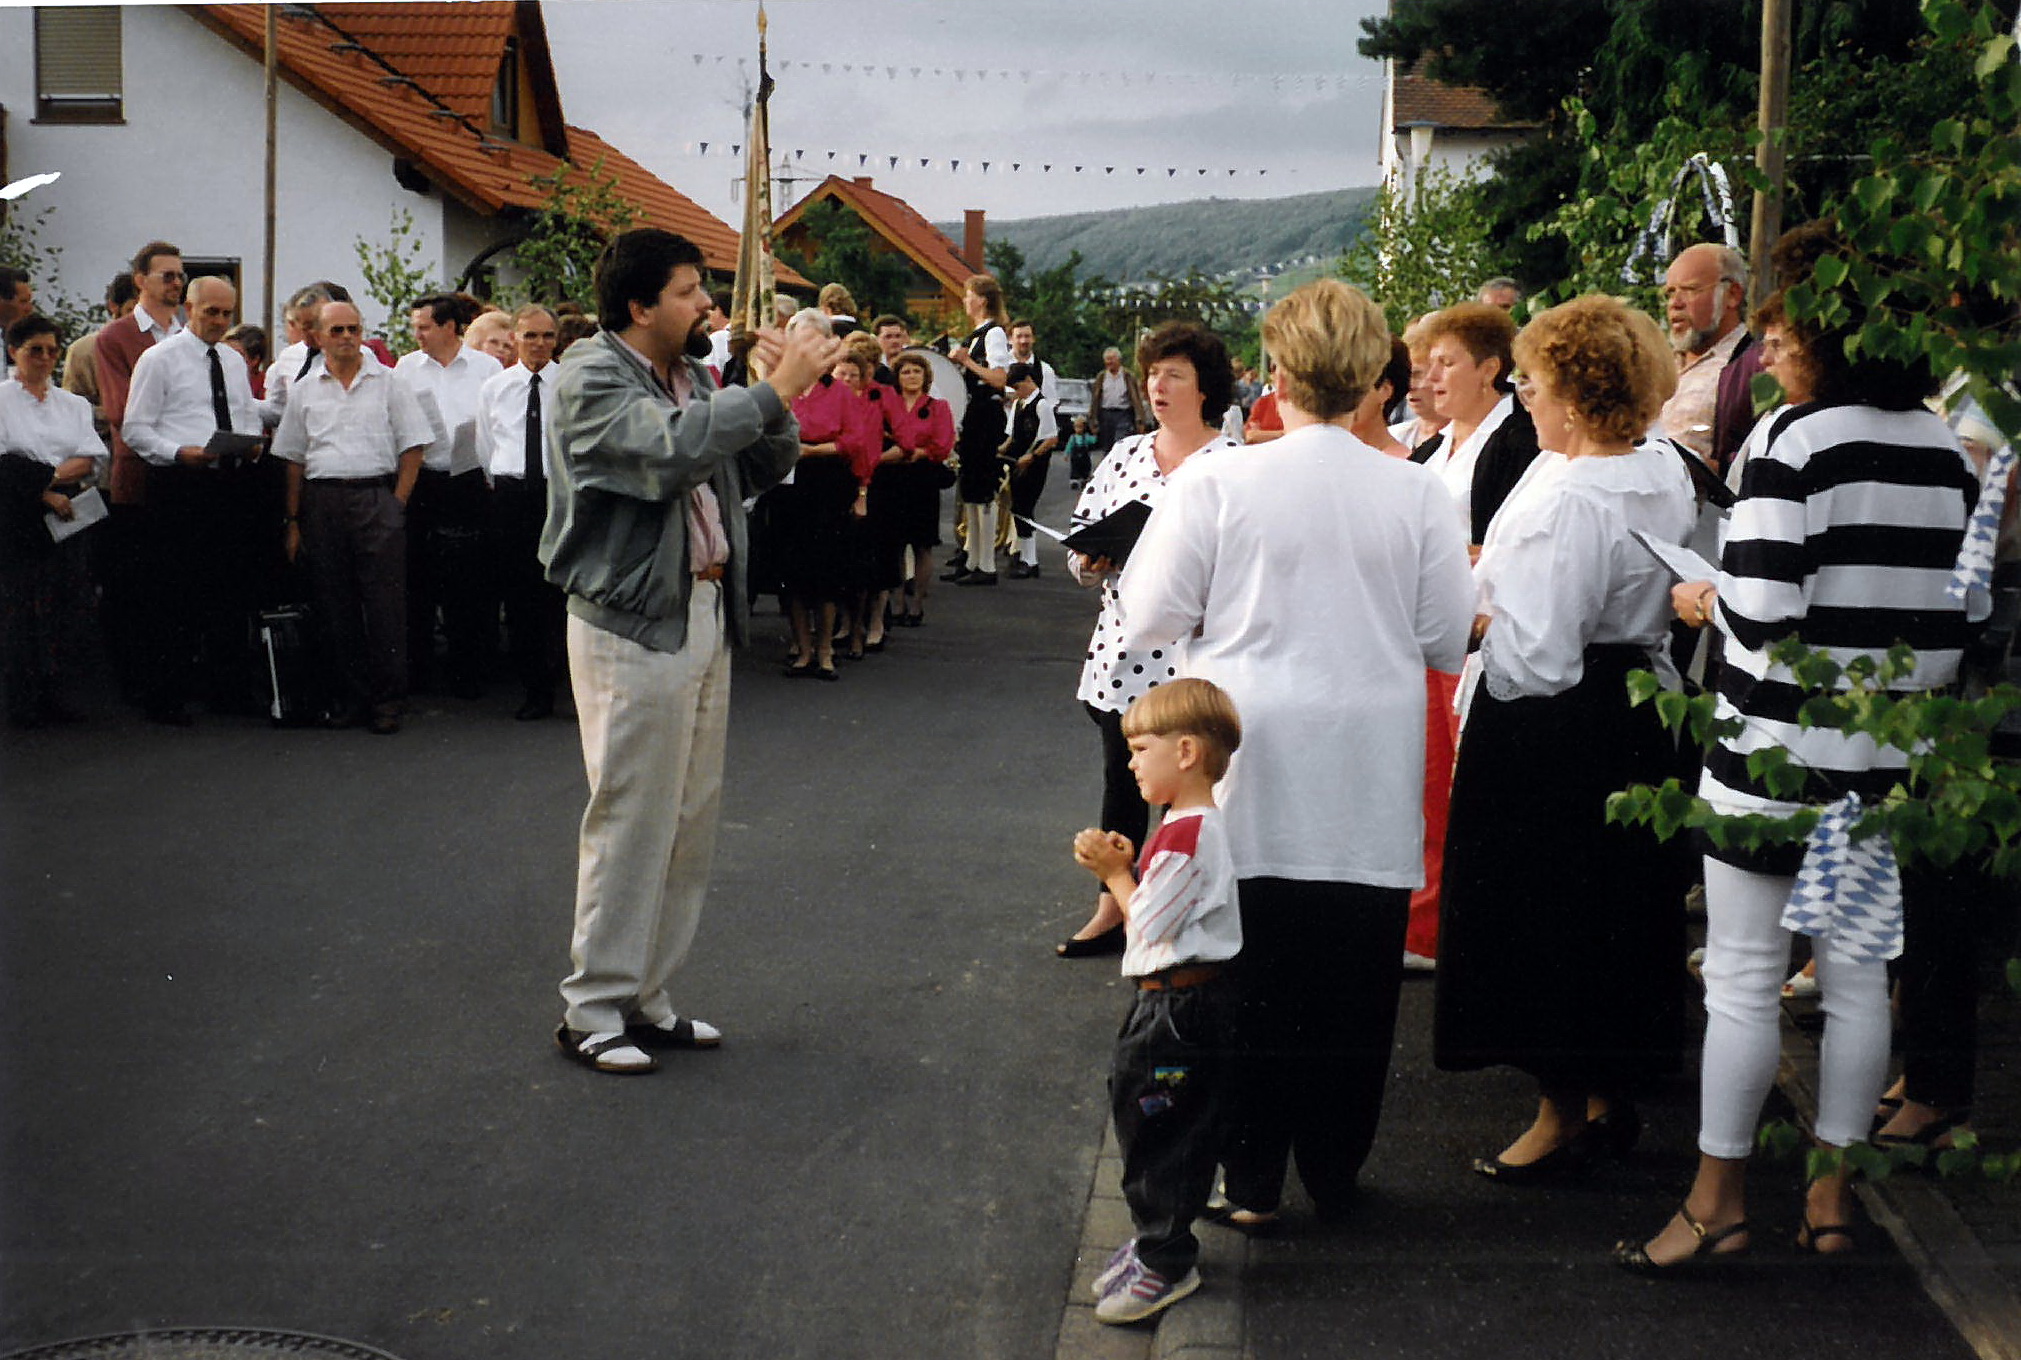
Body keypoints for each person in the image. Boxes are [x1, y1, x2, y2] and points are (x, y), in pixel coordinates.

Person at [1617, 265, 1979, 1271]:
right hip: (1883, 760)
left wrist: (1699, 600)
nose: (1769, 355)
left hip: (1772, 755)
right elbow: (1958, 621)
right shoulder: (1946, 453)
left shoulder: (1789, 440)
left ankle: (1713, 1201)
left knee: (1737, 980)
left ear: (1825, 337)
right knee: (1859, 982)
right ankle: (1829, 1197)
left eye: (1782, 336)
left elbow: (1762, 607)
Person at [1119, 280, 1473, 1226]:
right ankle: (1334, 1170)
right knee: (1353, 987)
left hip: (1249, 759)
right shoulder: (1416, 489)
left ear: (1275, 371)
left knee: (1243, 976)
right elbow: (1446, 637)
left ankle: (1251, 1177)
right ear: (1369, 377)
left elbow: (1149, 615)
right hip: (1366, 759)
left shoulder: (1217, 477)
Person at [544, 227, 837, 1075]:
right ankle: (591, 1009)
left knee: (688, 820)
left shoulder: (694, 375)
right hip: (633, 619)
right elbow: (667, 454)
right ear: (639, 307)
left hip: (699, 608)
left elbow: (749, 467)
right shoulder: (590, 375)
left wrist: (768, 393)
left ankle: (646, 998)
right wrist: (772, 386)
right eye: (686, 291)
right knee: (632, 816)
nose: (706, 304)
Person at [1432, 295, 1697, 1182]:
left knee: (1542, 920)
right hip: (1635, 710)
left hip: (1557, 730)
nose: (1523, 398)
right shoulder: (1655, 467)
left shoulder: (1571, 496)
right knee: (1615, 914)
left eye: (1535, 386)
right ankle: (1601, 1093)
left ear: (1578, 401)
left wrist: (1459, 621)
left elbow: (1537, 654)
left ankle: (1560, 1110)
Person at [1060, 322, 1239, 957]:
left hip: (1195, 650)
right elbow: (1080, 538)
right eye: (1153, 375)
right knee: (1125, 775)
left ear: (1206, 389)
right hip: (1124, 646)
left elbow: (1243, 561)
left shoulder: (1232, 464)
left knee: (1191, 784)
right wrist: (1092, 560)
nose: (1158, 387)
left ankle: (1181, 909)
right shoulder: (1125, 454)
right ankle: (1115, 903)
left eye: (1175, 376)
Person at [1072, 679, 1245, 1326]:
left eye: (1140, 749)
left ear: (1186, 752)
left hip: (1177, 1011)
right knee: (1149, 1117)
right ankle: (1154, 1239)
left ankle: (1167, 1255)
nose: (1131, 763)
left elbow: (1149, 926)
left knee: (1159, 1128)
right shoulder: (1185, 827)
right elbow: (1166, 907)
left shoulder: (1184, 835)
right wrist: (1131, 871)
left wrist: (1113, 876)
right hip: (1176, 1002)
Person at [272, 301, 433, 734]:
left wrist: (397, 503)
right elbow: (292, 459)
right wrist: (293, 520)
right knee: (333, 605)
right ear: (318, 336)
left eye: (354, 328)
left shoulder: (389, 382)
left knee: (385, 606)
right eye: (337, 329)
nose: (346, 336)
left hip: (375, 497)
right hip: (322, 502)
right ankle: (351, 697)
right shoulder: (305, 389)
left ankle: (387, 702)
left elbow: (414, 445)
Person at [120, 275, 266, 724]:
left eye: (227, 314)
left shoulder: (232, 360)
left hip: (228, 484)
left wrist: (251, 442)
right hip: (181, 484)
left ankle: (228, 691)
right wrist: (179, 453)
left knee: (229, 592)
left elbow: (241, 412)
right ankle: (168, 696)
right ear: (188, 308)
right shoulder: (159, 359)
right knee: (175, 593)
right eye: (211, 313)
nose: (219, 322)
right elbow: (135, 429)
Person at [396, 292, 503, 697]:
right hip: (424, 478)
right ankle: (419, 670)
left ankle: (470, 670)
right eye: (415, 328)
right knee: (418, 576)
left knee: (470, 580)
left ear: (449, 327)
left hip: (469, 479)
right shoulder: (406, 369)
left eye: (425, 327)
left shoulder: (485, 367)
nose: (418, 335)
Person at [0, 315, 105, 727]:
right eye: (34, 351)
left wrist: (50, 480)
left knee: (63, 605)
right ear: (13, 352)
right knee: (20, 610)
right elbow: (3, 463)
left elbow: (89, 458)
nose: (45, 358)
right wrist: (44, 489)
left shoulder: (73, 405)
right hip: (17, 517)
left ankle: (55, 695)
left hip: (68, 515)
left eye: (51, 350)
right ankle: (21, 702)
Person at [94, 241, 186, 703]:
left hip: (185, 478)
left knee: (179, 584)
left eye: (179, 275)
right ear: (141, 282)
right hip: (142, 476)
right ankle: (143, 687)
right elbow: (119, 410)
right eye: (166, 275)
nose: (176, 283)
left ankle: (178, 680)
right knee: (142, 588)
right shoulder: (116, 338)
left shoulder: (186, 335)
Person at [476, 304, 565, 720]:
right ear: (514, 338)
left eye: (547, 336)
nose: (539, 344)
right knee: (521, 594)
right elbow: (486, 444)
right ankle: (534, 690)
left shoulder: (568, 384)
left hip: (558, 494)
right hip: (512, 496)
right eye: (531, 336)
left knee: (560, 594)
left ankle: (566, 682)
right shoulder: (496, 387)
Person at [1414, 302, 1541, 547]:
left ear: (1489, 369)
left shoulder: (1525, 441)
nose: (1431, 377)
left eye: (1446, 363)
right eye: (1431, 364)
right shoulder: (1430, 448)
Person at [1657, 243, 1763, 471]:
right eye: (1671, 292)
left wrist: (1719, 471)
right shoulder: (1659, 363)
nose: (1675, 304)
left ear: (1732, 295)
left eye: (1690, 289)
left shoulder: (1758, 364)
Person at [873, 349, 953, 628]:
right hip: (891, 478)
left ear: (925, 376)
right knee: (893, 544)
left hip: (922, 479)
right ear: (897, 376)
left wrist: (919, 452)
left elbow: (943, 444)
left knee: (922, 545)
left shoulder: (937, 407)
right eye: (905, 371)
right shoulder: (887, 404)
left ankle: (917, 603)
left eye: (916, 371)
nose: (911, 376)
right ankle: (897, 602)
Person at [943, 274, 1012, 586]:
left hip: (985, 414)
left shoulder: (994, 333)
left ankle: (986, 563)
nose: (965, 301)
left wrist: (966, 362)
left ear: (981, 300)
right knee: (971, 488)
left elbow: (999, 378)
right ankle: (973, 558)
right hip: (974, 415)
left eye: (968, 295)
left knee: (982, 488)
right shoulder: (978, 333)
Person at [60, 274, 139, 448]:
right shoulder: (84, 350)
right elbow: (71, 408)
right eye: (132, 312)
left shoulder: (161, 346)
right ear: (113, 307)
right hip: (104, 447)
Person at [1001, 362, 1058, 580]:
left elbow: (1051, 437)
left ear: (1028, 381)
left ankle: (1031, 560)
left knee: (1025, 509)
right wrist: (1000, 450)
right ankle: (1025, 558)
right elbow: (1011, 436)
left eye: (1017, 387)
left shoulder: (1042, 405)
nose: (1016, 392)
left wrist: (1032, 456)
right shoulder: (1018, 404)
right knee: (1017, 510)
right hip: (1017, 462)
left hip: (1034, 465)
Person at [1089, 345, 1148, 453]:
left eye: (1112, 359)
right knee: (1107, 447)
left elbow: (1137, 399)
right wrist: (1093, 420)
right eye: (1107, 359)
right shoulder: (1101, 377)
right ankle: (1109, 469)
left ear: (1118, 360)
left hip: (1124, 414)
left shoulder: (1128, 376)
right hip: (1105, 415)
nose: (1109, 362)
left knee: (1120, 443)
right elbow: (1094, 400)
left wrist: (1140, 420)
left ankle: (1120, 467)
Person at [1063, 414, 1099, 492]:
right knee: (1075, 469)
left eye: (1080, 427)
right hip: (1075, 457)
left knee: (1085, 468)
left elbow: (1094, 441)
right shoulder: (1073, 438)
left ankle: (1084, 479)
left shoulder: (1086, 437)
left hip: (1084, 457)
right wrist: (1066, 454)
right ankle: (1074, 481)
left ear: (1084, 428)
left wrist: (1095, 434)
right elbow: (1069, 446)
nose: (1078, 429)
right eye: (1076, 427)